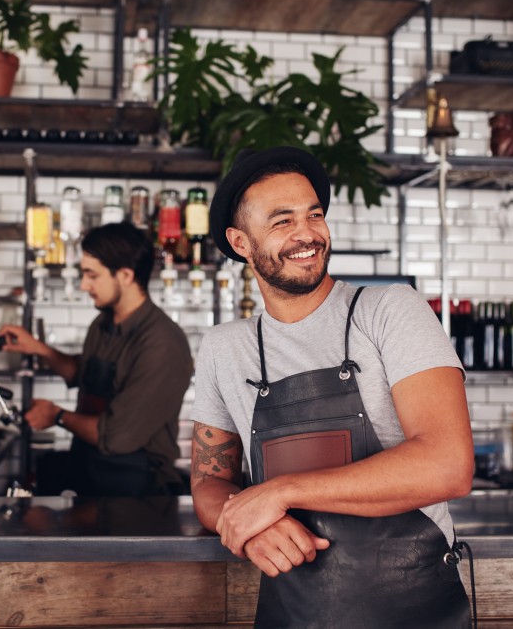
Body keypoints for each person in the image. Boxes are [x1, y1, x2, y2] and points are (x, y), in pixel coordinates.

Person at [190, 146, 474, 627]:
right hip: (293, 612)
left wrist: (278, 493)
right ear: (241, 242)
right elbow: (209, 481)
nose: (307, 234)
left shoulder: (388, 310)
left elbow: (448, 464)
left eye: (314, 214)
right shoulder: (224, 348)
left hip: (414, 610)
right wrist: (244, 526)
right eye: (282, 221)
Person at [0, 221, 193, 498]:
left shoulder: (162, 343)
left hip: (136, 489)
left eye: (92, 275)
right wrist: (38, 349)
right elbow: (83, 372)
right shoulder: (103, 323)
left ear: (125, 275)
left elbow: (117, 436)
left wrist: (57, 416)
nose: (83, 285)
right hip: (91, 472)